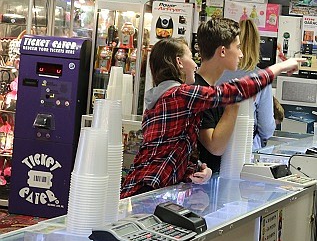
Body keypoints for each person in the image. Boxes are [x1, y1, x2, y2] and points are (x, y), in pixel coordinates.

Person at [120, 37, 299, 198]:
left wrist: (196, 170)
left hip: (146, 187)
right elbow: (234, 91)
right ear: (179, 62)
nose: (195, 64)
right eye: (191, 57)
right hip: (148, 190)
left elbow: (170, 149)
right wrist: (280, 67)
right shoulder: (180, 95)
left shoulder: (163, 98)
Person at [193, 18, 243, 174]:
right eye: (238, 47)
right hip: (196, 190)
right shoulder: (198, 92)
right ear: (222, 51)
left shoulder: (211, 90)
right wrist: (234, 105)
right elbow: (215, 147)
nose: (241, 54)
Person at [217, 19, 276, 150]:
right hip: (247, 148)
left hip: (215, 148)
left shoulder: (216, 74)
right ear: (256, 45)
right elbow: (266, 129)